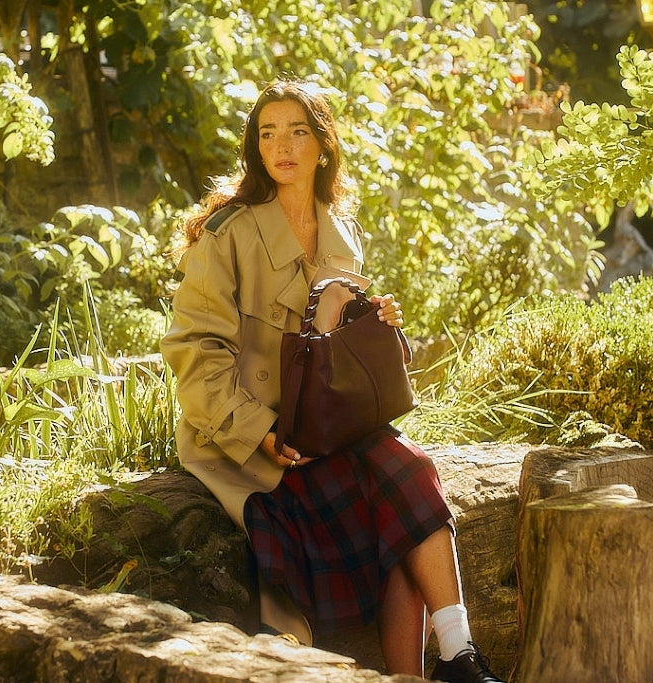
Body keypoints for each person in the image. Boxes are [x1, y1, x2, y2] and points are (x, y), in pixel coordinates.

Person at [160, 77, 503, 683]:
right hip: (255, 443)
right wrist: (260, 430)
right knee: (388, 518)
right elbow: (193, 352)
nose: (281, 146)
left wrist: (380, 325)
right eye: (268, 133)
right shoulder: (228, 234)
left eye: (297, 131)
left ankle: (457, 655)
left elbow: (338, 354)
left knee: (409, 476)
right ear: (256, 149)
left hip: (329, 426)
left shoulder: (344, 234)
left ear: (322, 146)